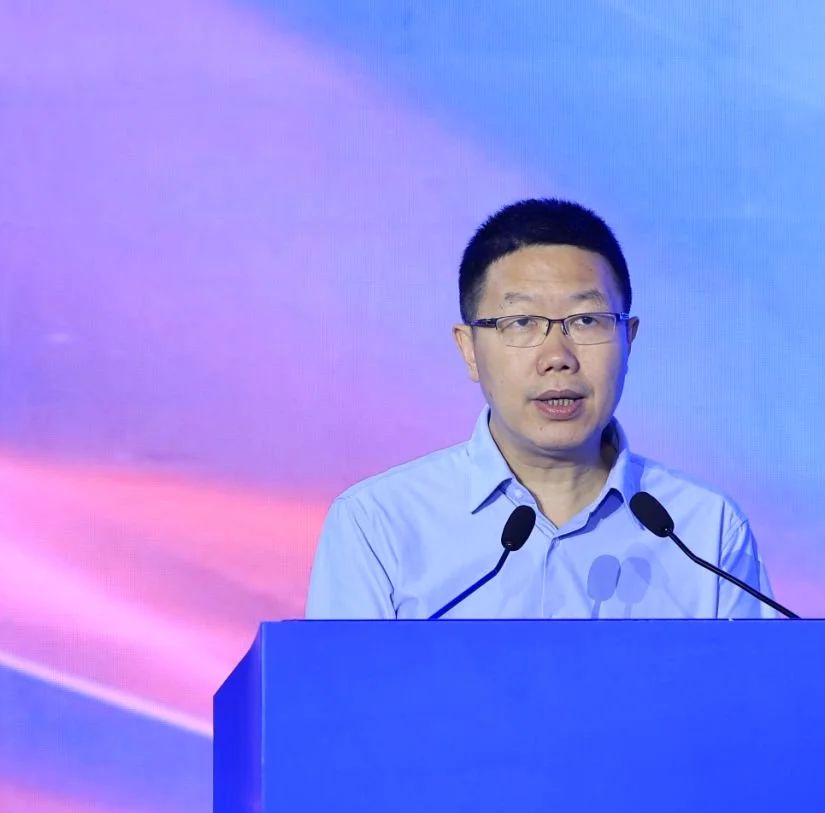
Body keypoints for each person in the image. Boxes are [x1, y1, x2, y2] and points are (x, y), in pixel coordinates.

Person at [305, 198, 777, 619]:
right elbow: (343, 691)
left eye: (586, 320)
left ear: (628, 340)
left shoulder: (704, 530)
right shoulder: (379, 524)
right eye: (521, 322)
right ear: (469, 349)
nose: (557, 357)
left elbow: (754, 690)